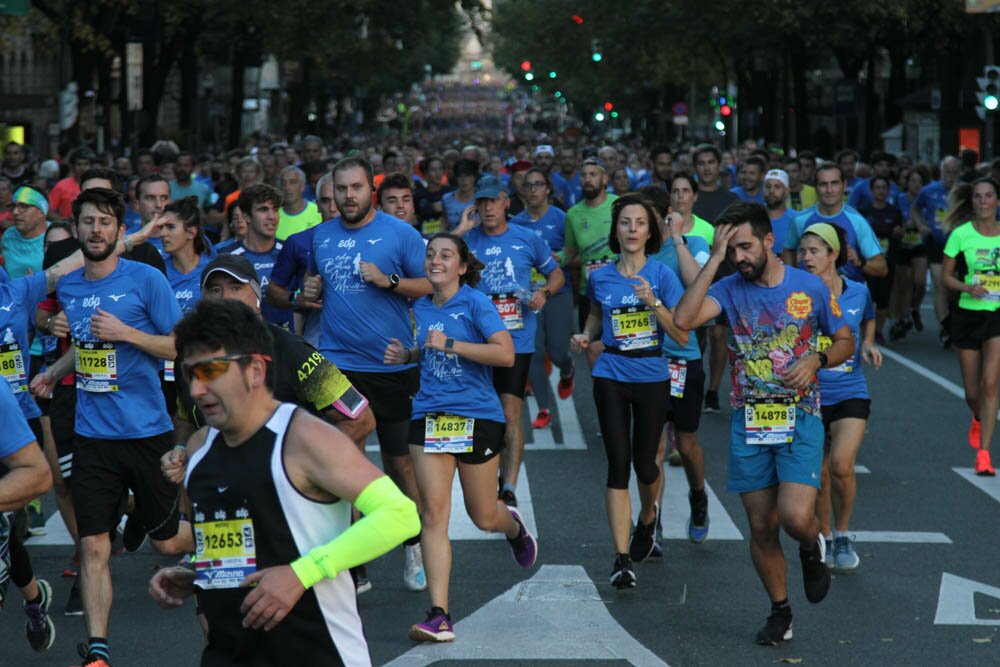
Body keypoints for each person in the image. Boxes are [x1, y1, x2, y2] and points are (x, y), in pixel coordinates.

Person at [149, 298, 419, 665]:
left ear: (255, 371)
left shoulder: (303, 438)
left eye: (211, 371)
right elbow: (254, 536)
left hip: (317, 653)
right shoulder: (198, 449)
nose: (196, 390)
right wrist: (199, 572)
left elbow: (400, 515)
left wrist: (301, 574)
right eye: (190, 373)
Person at [674, 201, 853, 645]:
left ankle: (812, 547)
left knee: (794, 517)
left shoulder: (809, 288)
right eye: (731, 250)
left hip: (800, 416)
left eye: (745, 247)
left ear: (770, 241)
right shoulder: (730, 287)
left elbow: (846, 338)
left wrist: (817, 357)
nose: (740, 258)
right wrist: (713, 260)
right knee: (760, 526)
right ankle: (780, 611)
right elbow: (683, 320)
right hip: (750, 422)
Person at [55, 187, 193, 667]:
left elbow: (180, 346)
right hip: (93, 436)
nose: (96, 230)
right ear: (77, 230)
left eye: (105, 222)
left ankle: (226, 536)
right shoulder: (69, 286)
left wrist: (127, 333)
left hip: (147, 432)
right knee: (93, 544)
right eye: (88, 222)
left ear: (119, 230)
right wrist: (53, 372)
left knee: (168, 541)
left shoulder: (147, 279)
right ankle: (98, 652)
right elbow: (86, 340)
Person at [382, 233, 538, 642]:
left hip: (476, 417)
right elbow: (429, 348)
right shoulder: (420, 305)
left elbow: (504, 354)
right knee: (433, 515)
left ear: (462, 267)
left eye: (445, 255)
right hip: (430, 416)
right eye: (431, 254)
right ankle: (439, 614)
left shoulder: (475, 302)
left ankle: (513, 527)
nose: (435, 260)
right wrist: (410, 355)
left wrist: (450, 343)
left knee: (483, 515)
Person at [300, 156, 431, 592]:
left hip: (391, 363)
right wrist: (309, 292)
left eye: (356, 188)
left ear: (369, 190)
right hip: (336, 362)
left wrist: (390, 281)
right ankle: (353, 563)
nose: (349, 197)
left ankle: (412, 541)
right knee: (341, 459)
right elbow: (311, 289)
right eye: (341, 190)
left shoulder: (401, 234)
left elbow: (431, 285)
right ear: (332, 194)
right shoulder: (321, 236)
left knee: (398, 462)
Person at [570, 193, 689, 588]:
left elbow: (680, 332)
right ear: (616, 230)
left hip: (652, 374)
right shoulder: (600, 275)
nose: (632, 229)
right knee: (618, 464)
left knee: (647, 464)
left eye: (640, 223)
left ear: (649, 231)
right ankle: (621, 559)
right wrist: (586, 336)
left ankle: (648, 517)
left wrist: (653, 302)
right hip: (611, 372)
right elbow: (594, 317)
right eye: (625, 223)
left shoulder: (661, 275)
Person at [455, 174, 565, 506]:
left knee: (509, 413)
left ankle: (510, 487)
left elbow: (556, 273)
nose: (488, 208)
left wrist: (544, 292)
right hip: (476, 341)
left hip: (516, 340)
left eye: (494, 201)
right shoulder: (467, 241)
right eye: (482, 202)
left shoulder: (527, 238)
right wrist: (458, 232)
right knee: (477, 412)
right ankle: (486, 474)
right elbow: (432, 262)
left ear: (507, 203)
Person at [797, 223, 882, 571]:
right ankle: (827, 536)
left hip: (849, 391)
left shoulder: (858, 292)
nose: (806, 258)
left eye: (814, 251)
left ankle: (844, 533)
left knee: (841, 465)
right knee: (818, 471)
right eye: (802, 251)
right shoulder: (795, 294)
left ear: (834, 255)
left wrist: (870, 343)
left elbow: (869, 319)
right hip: (810, 393)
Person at [941, 178, 1000, 475]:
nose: (983, 202)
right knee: (972, 391)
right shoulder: (960, 235)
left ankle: (985, 454)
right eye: (978, 197)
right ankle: (978, 416)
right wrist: (967, 287)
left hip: (997, 315)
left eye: (989, 196)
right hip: (968, 313)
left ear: (997, 201)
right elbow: (946, 278)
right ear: (972, 201)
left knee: (990, 383)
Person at [509, 168, 575, 428]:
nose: (534, 190)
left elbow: (575, 253)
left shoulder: (562, 219)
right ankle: (543, 409)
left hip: (558, 292)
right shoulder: (516, 224)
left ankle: (567, 370)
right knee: (534, 352)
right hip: (528, 298)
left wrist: (563, 258)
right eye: (529, 185)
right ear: (523, 191)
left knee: (558, 350)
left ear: (548, 189)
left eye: (539, 185)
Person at [782, 163, 888, 283]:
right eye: (823, 184)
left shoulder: (857, 221)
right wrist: (792, 277)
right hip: (810, 294)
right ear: (816, 188)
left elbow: (882, 268)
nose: (829, 190)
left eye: (834, 183)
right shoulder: (800, 220)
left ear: (844, 185)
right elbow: (788, 249)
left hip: (846, 295)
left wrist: (859, 262)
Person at [219, 184, 291, 329]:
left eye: (275, 209)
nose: (272, 216)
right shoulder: (227, 257)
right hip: (244, 336)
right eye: (263, 209)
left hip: (287, 338)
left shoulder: (289, 250)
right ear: (246, 216)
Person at [564, 158, 619, 337]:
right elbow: (570, 253)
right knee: (591, 346)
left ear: (604, 179)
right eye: (584, 175)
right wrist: (551, 259)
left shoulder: (619, 205)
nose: (587, 179)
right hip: (588, 291)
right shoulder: (573, 214)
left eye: (593, 175)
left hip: (619, 287)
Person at [916, 156, 963, 347]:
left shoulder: (965, 191)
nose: (950, 176)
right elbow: (915, 209)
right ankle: (946, 327)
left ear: (960, 172)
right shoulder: (928, 191)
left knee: (955, 286)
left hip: (960, 243)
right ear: (941, 172)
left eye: (954, 172)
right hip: (937, 242)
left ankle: (953, 316)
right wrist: (921, 226)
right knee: (939, 282)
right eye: (947, 172)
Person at [859, 176, 903, 341]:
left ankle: (878, 330)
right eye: (877, 188)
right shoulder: (864, 212)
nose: (880, 191)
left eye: (884, 188)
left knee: (883, 298)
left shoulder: (894, 211)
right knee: (867, 297)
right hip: (868, 261)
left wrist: (899, 233)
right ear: (871, 190)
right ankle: (866, 333)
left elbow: (900, 233)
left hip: (887, 260)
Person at [276, 166, 322, 241]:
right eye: (283, 183)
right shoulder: (274, 216)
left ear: (302, 186)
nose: (287, 187)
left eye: (292, 182)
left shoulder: (318, 211)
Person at [763, 170, 796, 255]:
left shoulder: (796, 220)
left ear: (787, 191)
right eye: (768, 186)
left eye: (777, 187)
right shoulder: (754, 217)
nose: (771, 191)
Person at [441, 159, 478, 230]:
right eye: (460, 176)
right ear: (456, 178)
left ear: (474, 177)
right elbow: (445, 223)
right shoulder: (446, 199)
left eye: (468, 175)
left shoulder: (482, 198)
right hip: (453, 239)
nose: (464, 180)